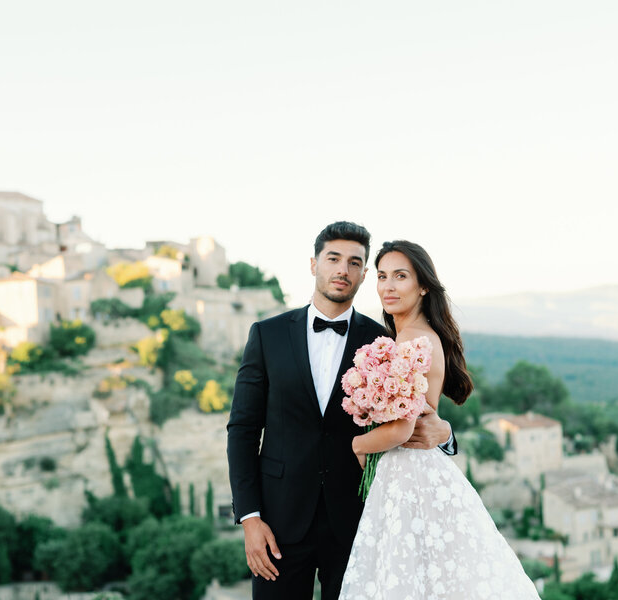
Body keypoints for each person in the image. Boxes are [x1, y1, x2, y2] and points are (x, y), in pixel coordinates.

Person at [227, 223, 457, 600]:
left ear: (364, 275)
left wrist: (446, 434)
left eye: (354, 263)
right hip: (278, 524)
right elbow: (242, 429)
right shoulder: (266, 335)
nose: (342, 270)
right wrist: (250, 519)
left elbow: (419, 416)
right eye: (333, 259)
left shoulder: (384, 342)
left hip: (358, 521)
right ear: (314, 264)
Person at [339, 240, 539, 600]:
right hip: (413, 471)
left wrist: (359, 443)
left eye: (400, 276)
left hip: (409, 474)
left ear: (423, 285)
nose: (388, 286)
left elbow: (403, 429)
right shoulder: (407, 336)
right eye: (382, 276)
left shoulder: (413, 341)